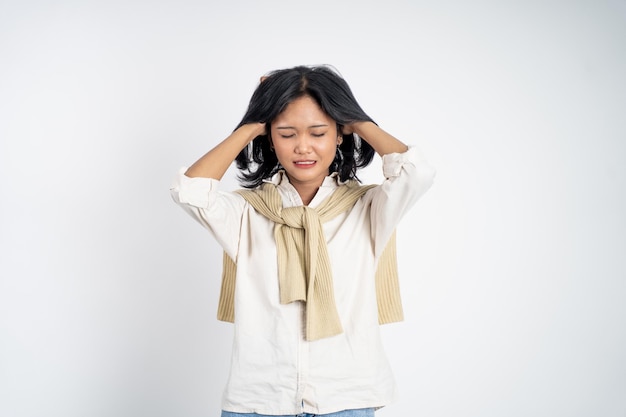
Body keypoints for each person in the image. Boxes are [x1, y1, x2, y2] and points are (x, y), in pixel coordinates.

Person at [170, 65, 435, 416]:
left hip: (347, 399)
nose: (303, 147)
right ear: (270, 138)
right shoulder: (246, 214)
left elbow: (416, 172)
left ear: (339, 134)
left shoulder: (369, 208)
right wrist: (253, 120)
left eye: (318, 132)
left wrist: (351, 115)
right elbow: (190, 191)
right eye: (287, 133)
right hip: (259, 400)